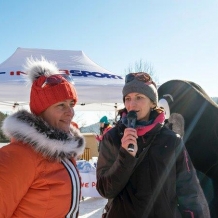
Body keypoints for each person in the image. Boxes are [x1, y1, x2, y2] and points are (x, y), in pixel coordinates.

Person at [96, 72, 210, 218]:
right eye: (128, 98)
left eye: (139, 97)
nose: (132, 104)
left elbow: (189, 192)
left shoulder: (171, 140)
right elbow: (105, 190)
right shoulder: (112, 138)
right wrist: (125, 156)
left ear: (152, 103)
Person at [0, 57, 85, 218]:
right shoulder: (18, 156)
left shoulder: (63, 151)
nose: (70, 112)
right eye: (61, 105)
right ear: (41, 111)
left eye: (71, 104)